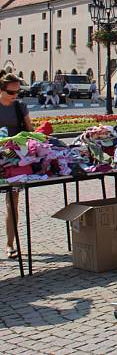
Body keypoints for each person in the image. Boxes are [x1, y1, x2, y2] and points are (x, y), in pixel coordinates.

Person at [0, 73, 32, 259]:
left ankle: (10, 244)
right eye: (10, 92)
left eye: (17, 92)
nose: (14, 95)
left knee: (12, 203)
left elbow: (29, 130)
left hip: (13, 158)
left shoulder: (20, 106)